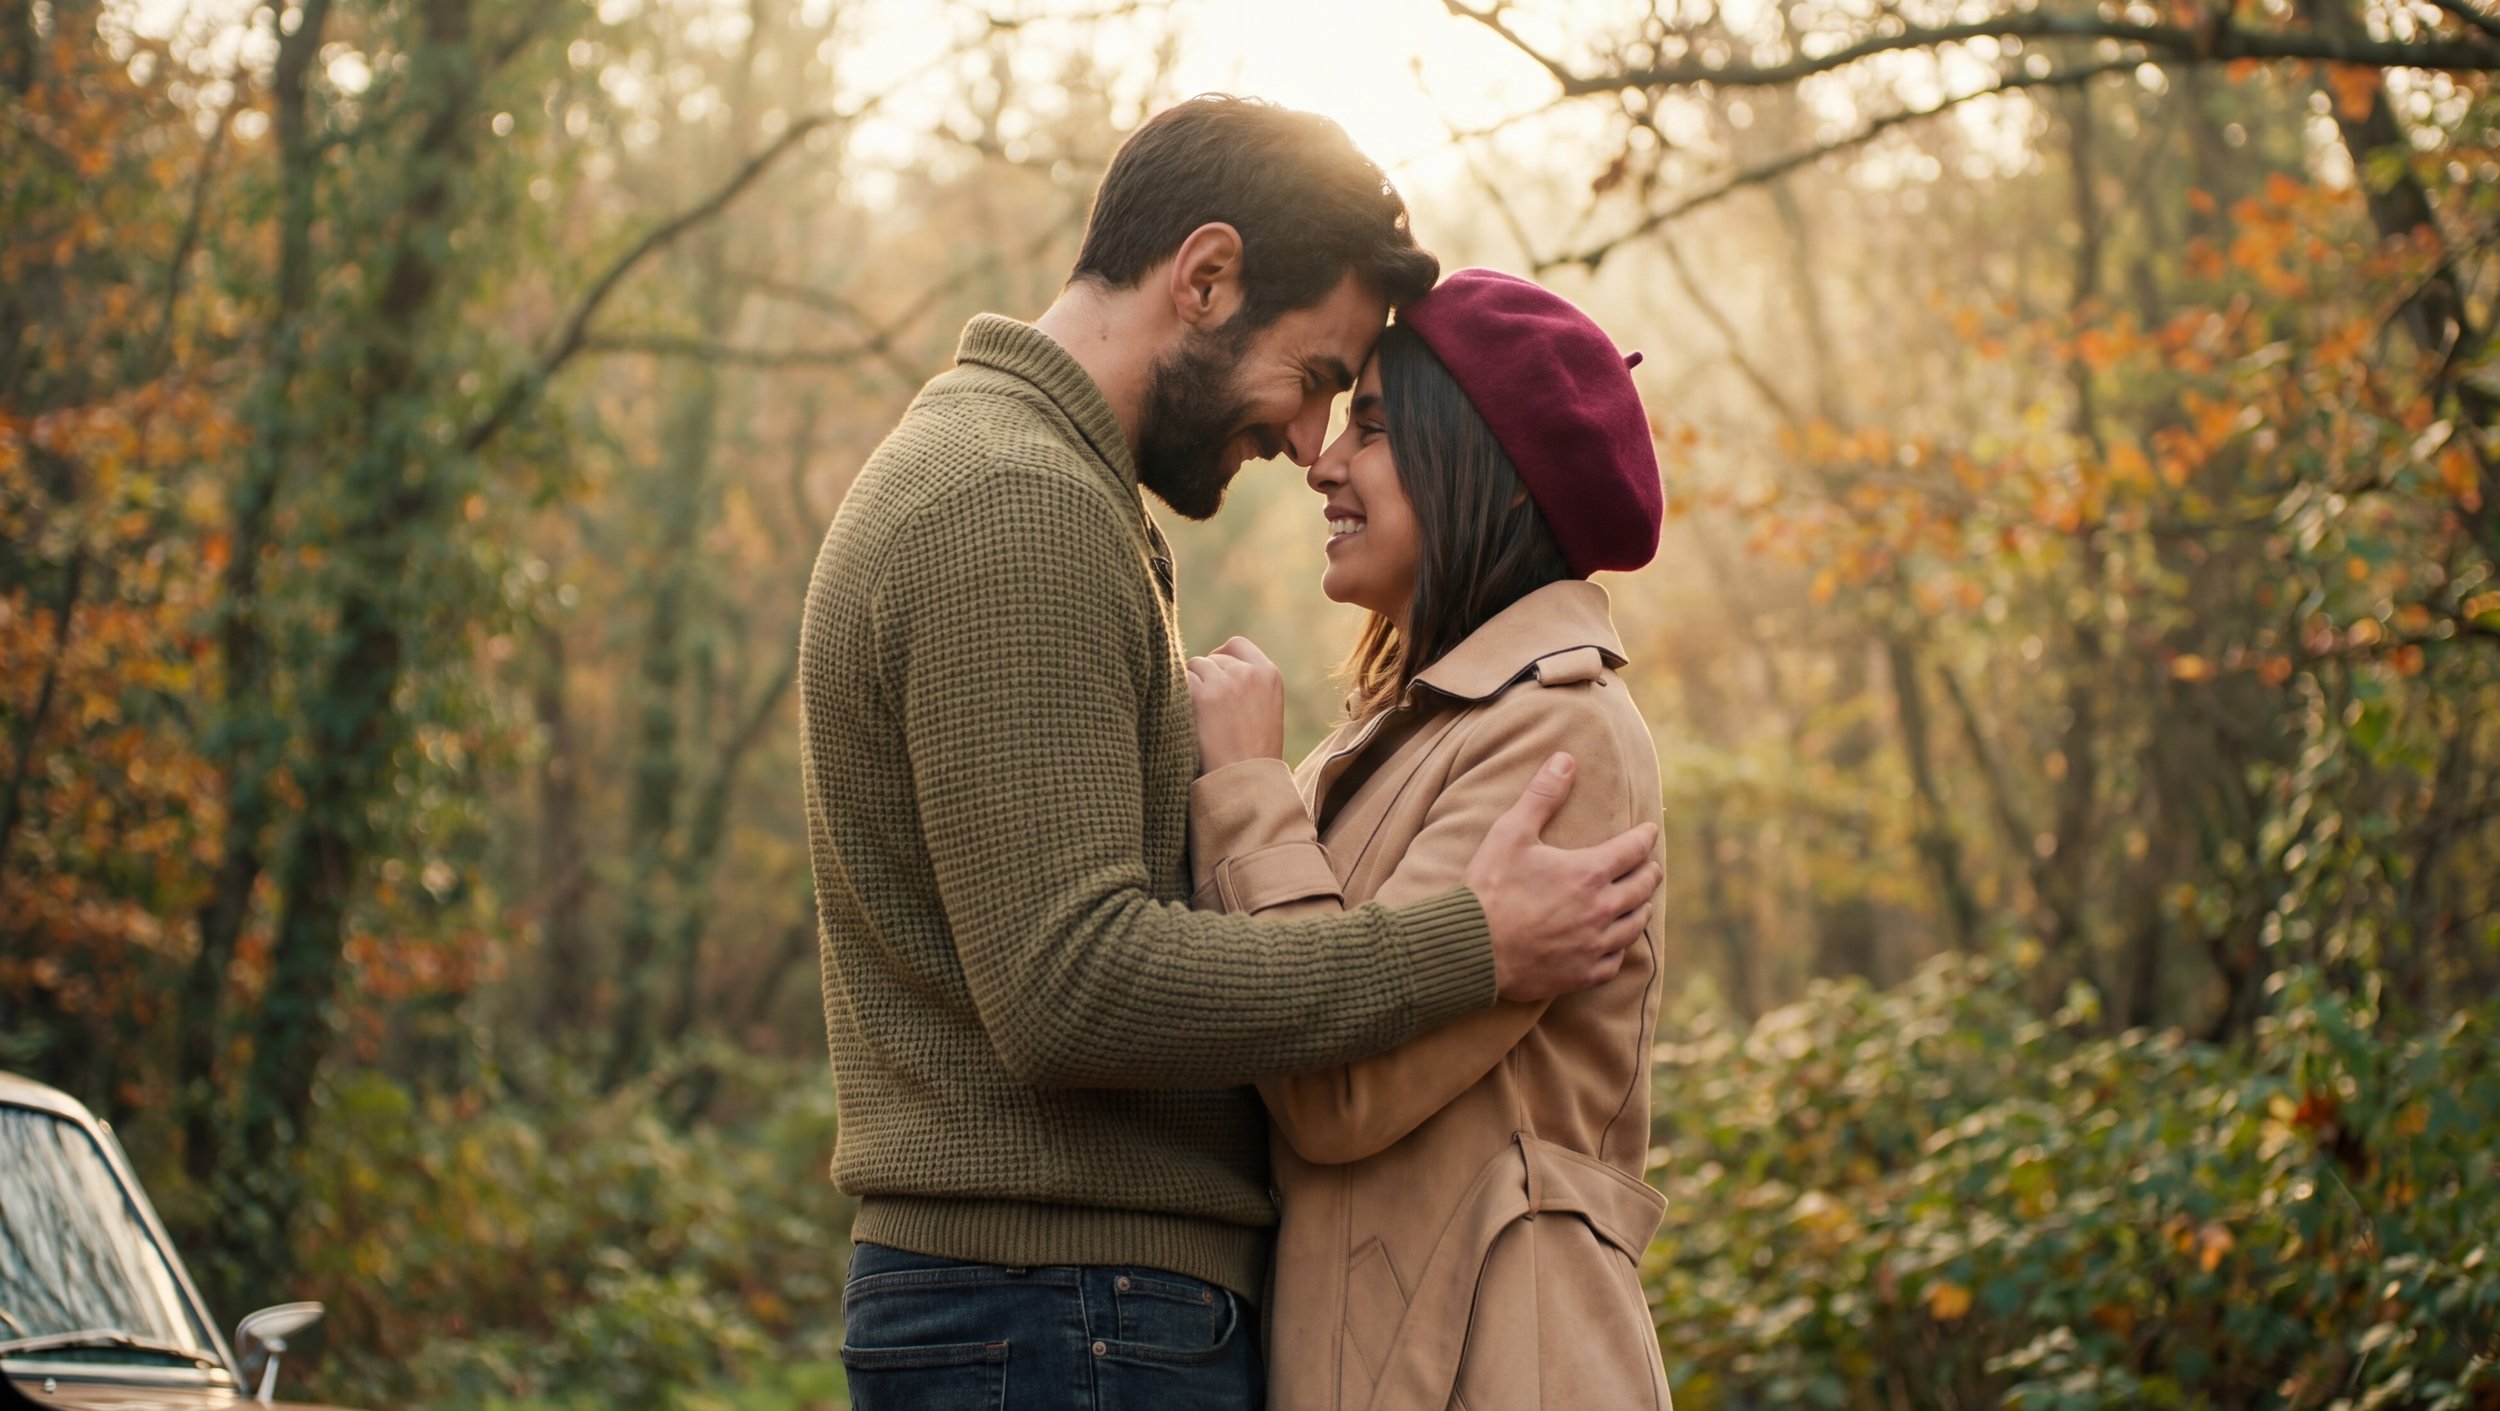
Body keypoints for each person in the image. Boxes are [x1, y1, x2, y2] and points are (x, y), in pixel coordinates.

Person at [797, 98, 1663, 1410]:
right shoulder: (1016, 504)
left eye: (1358, 413)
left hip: (1077, 1306)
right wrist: (1468, 940)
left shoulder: (1040, 492)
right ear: (1204, 278)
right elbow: (1070, 982)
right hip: (1065, 1306)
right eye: (1321, 379)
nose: (1308, 442)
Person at [1185, 267, 1675, 1410]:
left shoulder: (1562, 732)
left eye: (1372, 428)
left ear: (1478, 469)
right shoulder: (1409, 736)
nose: (1321, 461)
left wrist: (1251, 784)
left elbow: (1336, 1083)